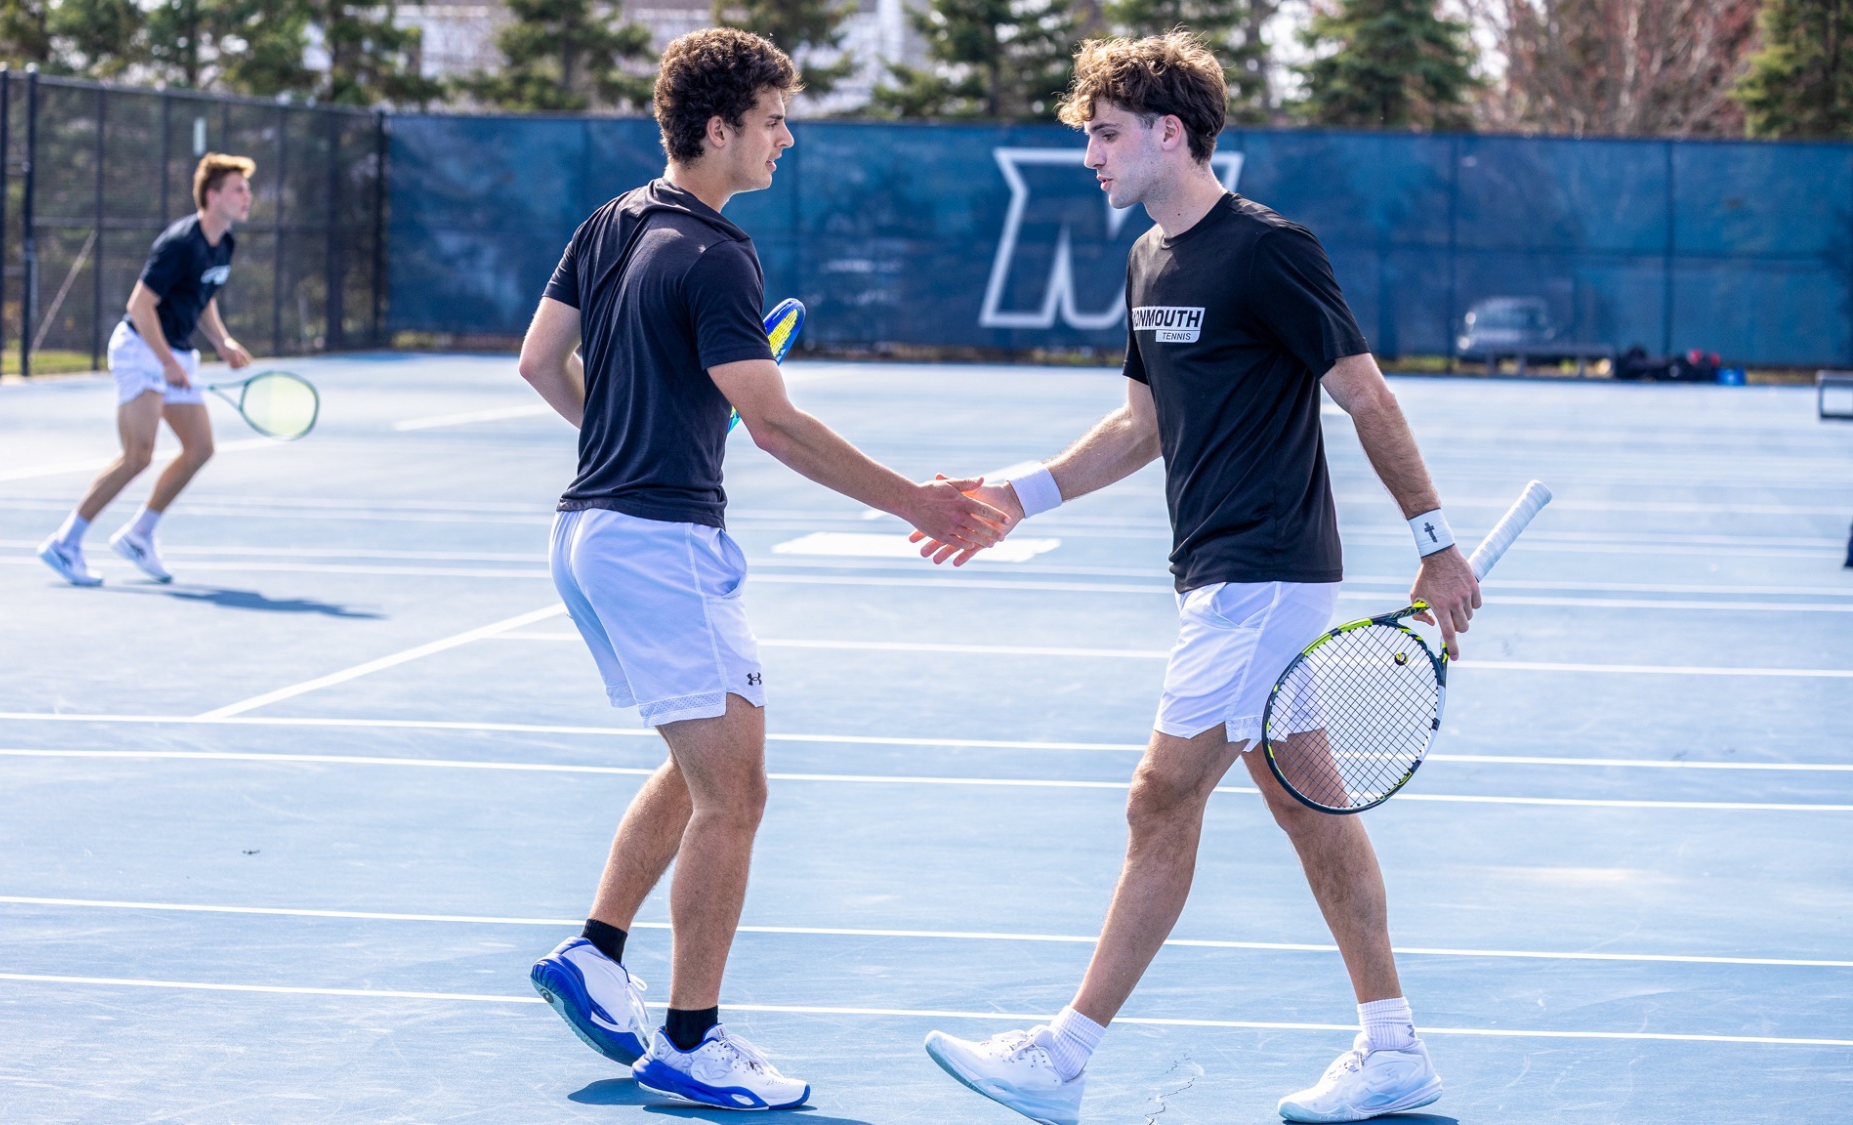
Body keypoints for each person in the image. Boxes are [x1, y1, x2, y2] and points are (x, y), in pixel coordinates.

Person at [915, 31, 1479, 1125]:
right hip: (1220, 571)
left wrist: (1434, 541)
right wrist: (1012, 497)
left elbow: (1363, 397)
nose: (1090, 155)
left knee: (1157, 799)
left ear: (1167, 133)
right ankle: (1392, 1047)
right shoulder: (1147, 262)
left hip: (1261, 573)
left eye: (1105, 133)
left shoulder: (1268, 251)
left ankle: (1061, 1056)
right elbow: (1140, 427)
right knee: (1306, 807)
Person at [516, 28, 1008, 1112]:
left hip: (590, 533)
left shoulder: (611, 222)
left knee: (706, 771)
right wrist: (916, 503)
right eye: (773, 119)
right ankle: (690, 1043)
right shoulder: (716, 253)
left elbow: (537, 361)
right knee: (736, 795)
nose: (786, 138)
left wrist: (627, 433)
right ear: (715, 129)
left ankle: (596, 953)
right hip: (657, 542)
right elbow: (776, 428)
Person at [36, 152, 256, 586]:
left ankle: (139, 535)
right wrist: (168, 363)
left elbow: (202, 294)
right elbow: (139, 307)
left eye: (247, 189)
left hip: (174, 351)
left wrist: (222, 341)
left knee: (200, 449)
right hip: (140, 349)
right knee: (138, 455)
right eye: (238, 189)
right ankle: (64, 544)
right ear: (212, 196)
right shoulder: (180, 243)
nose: (247, 196)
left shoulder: (224, 242)